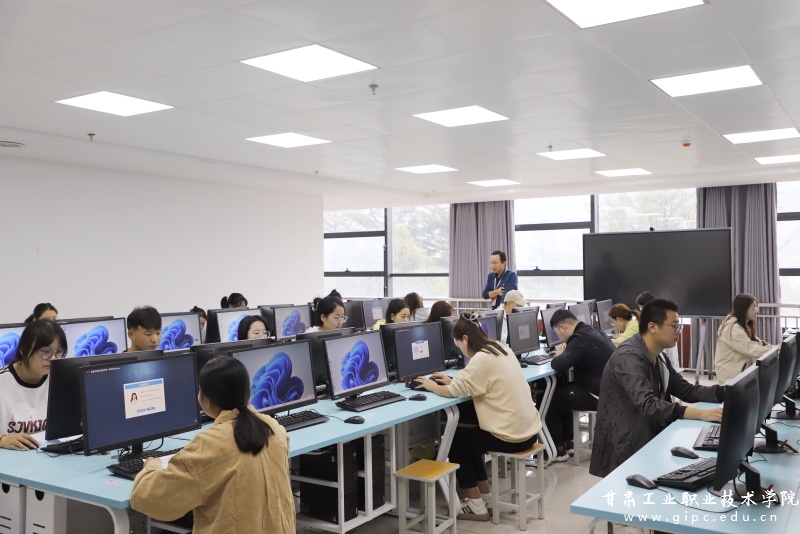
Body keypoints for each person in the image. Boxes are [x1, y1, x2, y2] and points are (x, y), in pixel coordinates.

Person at [130, 357, 295, 533]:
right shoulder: (273, 428)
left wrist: (152, 466)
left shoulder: (209, 444)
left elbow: (148, 499)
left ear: (207, 400)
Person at [415, 312, 541, 521]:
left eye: (459, 345)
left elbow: (452, 392)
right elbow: (476, 381)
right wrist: (453, 381)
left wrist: (430, 385)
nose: (460, 350)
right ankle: (485, 498)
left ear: (465, 339)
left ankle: (475, 505)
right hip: (529, 431)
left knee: (456, 443)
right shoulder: (501, 348)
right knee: (470, 437)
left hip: (511, 437)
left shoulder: (480, 359)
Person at [590, 299, 725, 478]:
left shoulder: (658, 356)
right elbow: (648, 404)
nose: (678, 331)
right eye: (674, 326)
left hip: (649, 436)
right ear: (652, 327)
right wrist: (699, 413)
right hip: (625, 446)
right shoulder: (628, 357)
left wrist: (724, 392)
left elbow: (686, 390)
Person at [547, 309, 615, 461]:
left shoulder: (580, 339)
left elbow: (559, 365)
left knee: (549, 398)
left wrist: (559, 355)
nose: (558, 338)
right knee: (562, 391)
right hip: (609, 390)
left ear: (563, 327)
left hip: (598, 394)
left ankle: (557, 450)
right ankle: (567, 443)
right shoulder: (591, 330)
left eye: (557, 333)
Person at [0, 320, 67, 450]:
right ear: (23, 351)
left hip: (48, 453)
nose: (53, 358)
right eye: (45, 351)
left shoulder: (61, 379)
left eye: (59, 351)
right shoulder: (3, 381)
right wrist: (2, 439)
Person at [714, 293, 776, 384]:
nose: (756, 311)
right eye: (753, 307)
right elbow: (752, 349)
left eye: (757, 307)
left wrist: (774, 348)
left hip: (741, 371)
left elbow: (757, 343)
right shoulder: (733, 329)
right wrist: (776, 349)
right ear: (743, 308)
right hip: (731, 377)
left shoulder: (743, 325)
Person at [636, 291, 680, 370]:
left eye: (642, 309)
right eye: (640, 309)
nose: (642, 312)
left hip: (667, 365)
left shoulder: (663, 321)